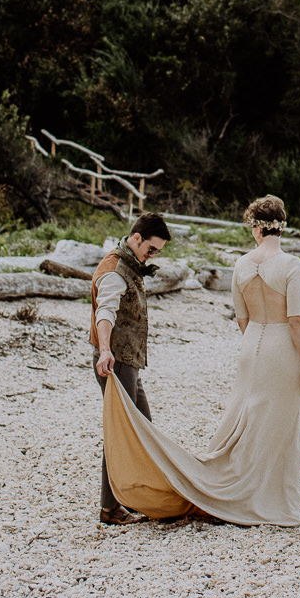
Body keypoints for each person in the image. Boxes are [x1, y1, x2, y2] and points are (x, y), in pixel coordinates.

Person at [98, 195, 300, 527]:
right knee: (279, 427)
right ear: (280, 226)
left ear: (255, 227)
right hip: (280, 345)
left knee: (243, 419)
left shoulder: (242, 265)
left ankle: (202, 487)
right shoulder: (291, 265)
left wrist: (254, 341)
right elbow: (296, 321)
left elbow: (242, 318)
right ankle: (265, 495)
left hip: (251, 343)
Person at [90, 212, 171, 526]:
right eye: (151, 249)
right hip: (116, 361)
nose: (152, 256)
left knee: (143, 427)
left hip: (129, 361)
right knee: (123, 432)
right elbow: (105, 312)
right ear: (136, 238)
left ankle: (133, 496)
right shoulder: (113, 270)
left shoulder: (128, 264)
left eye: (157, 253)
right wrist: (106, 350)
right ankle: (109, 508)